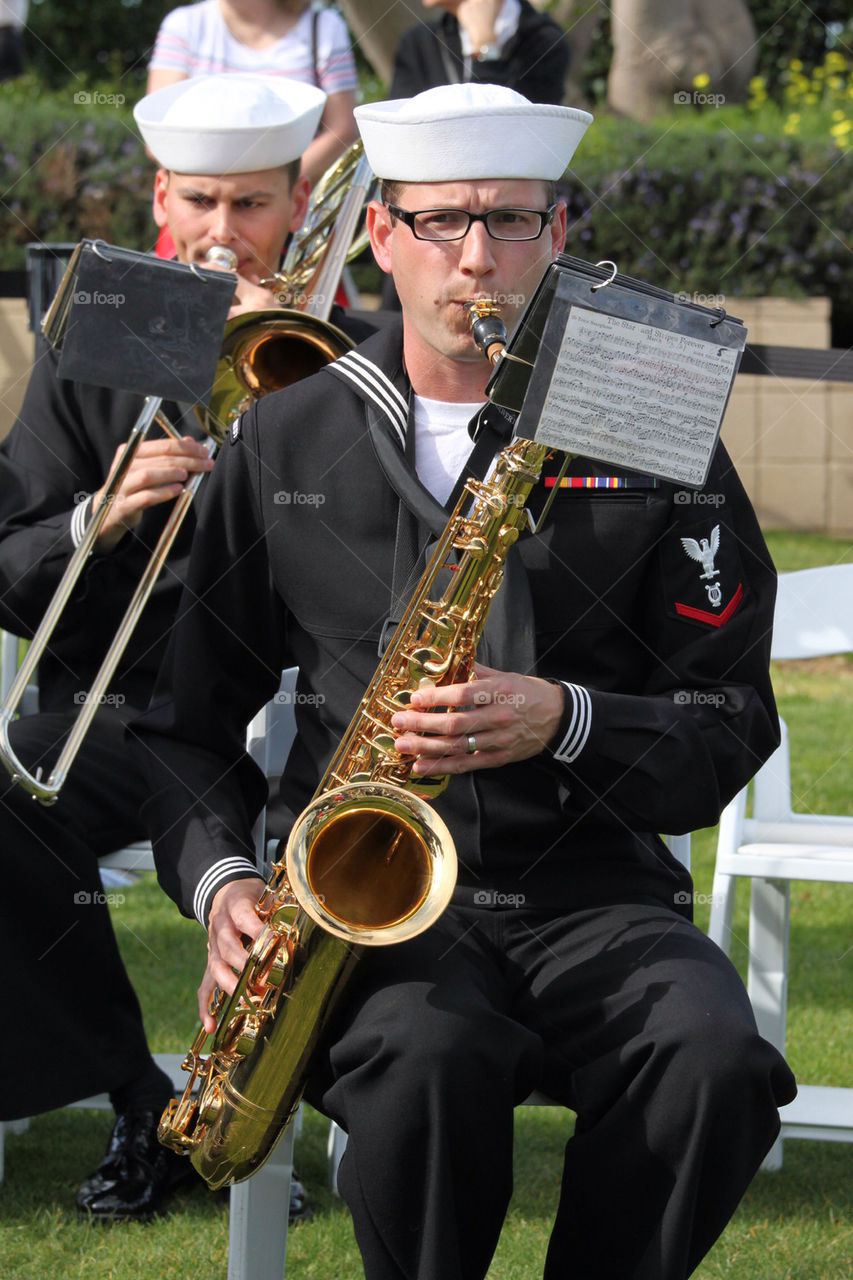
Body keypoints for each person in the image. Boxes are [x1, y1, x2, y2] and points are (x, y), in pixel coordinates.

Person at [132, 83, 796, 1279]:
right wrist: (224, 878)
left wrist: (566, 718)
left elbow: (729, 717)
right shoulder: (284, 437)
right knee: (426, 1068)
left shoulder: (651, 422)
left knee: (717, 1060)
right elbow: (179, 724)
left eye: (509, 220)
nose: (475, 259)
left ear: (558, 232)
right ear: (379, 235)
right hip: (371, 916)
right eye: (439, 223)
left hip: (597, 894)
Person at [0, 72, 374, 1223]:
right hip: (117, 718)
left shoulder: (355, 358)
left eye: (251, 206)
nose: (222, 234)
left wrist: (287, 407)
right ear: (162, 197)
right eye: (201, 201)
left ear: (298, 207)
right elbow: (11, 571)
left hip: (303, 722)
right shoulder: (96, 342)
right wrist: (92, 519)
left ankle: (290, 1108)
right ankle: (141, 1100)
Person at [148, 0, 358, 189]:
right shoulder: (184, 25)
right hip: (208, 207)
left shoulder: (325, 27)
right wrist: (256, 192)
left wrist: (268, 192)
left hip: (290, 215)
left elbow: (343, 130)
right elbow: (155, 135)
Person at [389, 0, 569, 105]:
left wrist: (485, 44)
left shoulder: (545, 43)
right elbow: (398, 135)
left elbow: (499, 135)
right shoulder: (418, 43)